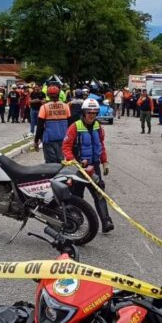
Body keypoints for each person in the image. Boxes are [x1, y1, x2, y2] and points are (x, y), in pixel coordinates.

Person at [61, 98, 115, 233]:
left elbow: (101, 145)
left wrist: (105, 162)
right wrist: (73, 161)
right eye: (89, 112)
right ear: (84, 112)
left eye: (94, 112)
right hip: (78, 167)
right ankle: (76, 221)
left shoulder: (98, 127)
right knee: (76, 195)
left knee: (99, 193)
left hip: (94, 166)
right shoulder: (75, 127)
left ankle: (106, 222)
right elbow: (66, 146)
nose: (91, 115)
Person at [36, 86, 70, 164]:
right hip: (63, 139)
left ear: (48, 95)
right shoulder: (66, 106)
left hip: (49, 139)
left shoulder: (44, 107)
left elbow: (40, 126)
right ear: (59, 94)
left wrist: (36, 140)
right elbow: (70, 124)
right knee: (61, 162)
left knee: (50, 164)